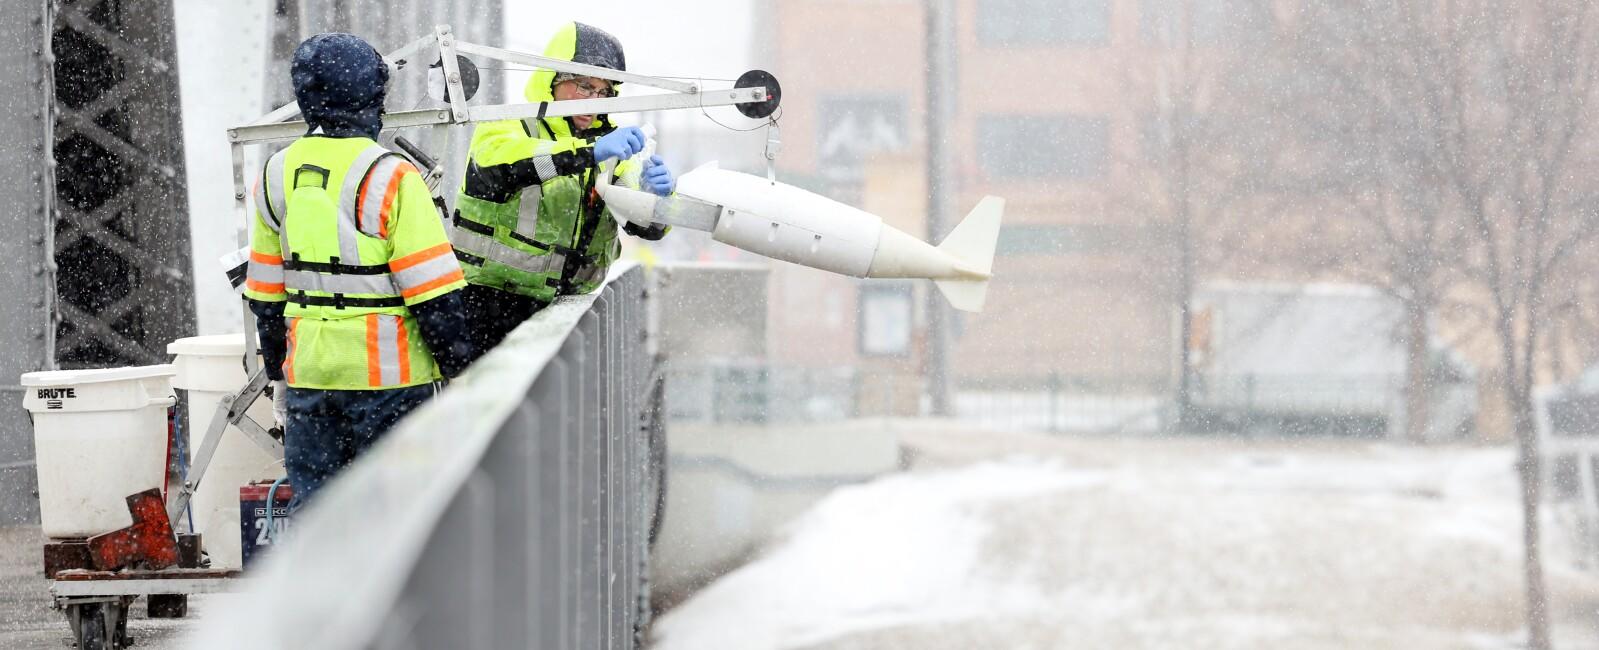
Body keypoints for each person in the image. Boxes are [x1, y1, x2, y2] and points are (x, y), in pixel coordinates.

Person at [243, 33, 476, 504]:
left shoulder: (274, 174)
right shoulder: (392, 175)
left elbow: (265, 297)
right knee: (397, 518)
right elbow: (435, 295)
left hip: (311, 379)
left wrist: (277, 374)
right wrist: (462, 374)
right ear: (372, 98)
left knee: (318, 516)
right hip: (391, 386)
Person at [452, 21, 677, 352]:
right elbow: (511, 168)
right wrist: (588, 152)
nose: (594, 100)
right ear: (552, 80)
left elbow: (649, 228)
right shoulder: (507, 125)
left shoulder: (612, 147)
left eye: (604, 92)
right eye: (584, 86)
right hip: (484, 308)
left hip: (565, 317)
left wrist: (657, 197)